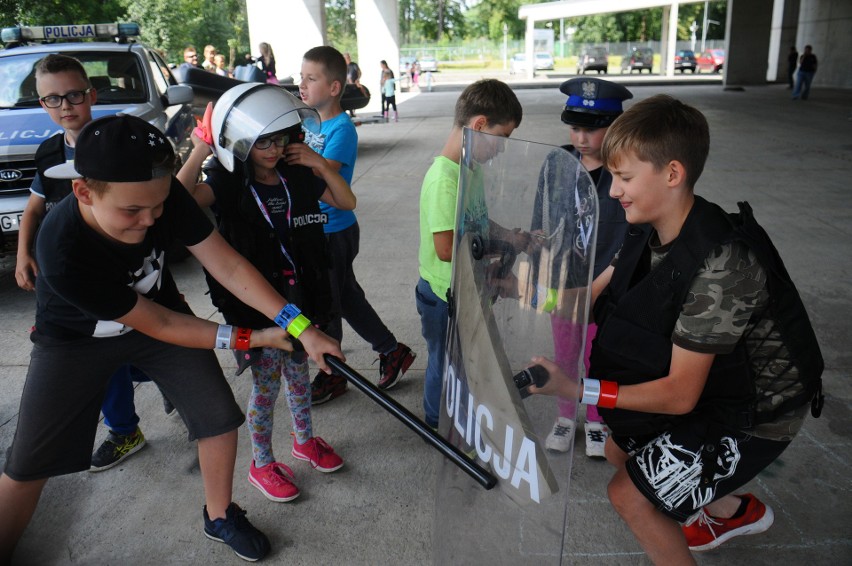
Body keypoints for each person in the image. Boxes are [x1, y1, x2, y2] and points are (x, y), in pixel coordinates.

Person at [0, 113, 345, 563]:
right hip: (74, 339)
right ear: (84, 191)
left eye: (158, 206)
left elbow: (231, 266)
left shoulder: (163, 195)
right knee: (29, 462)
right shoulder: (60, 247)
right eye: (131, 210)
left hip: (160, 315)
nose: (150, 220)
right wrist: (254, 337)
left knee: (219, 416)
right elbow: (160, 325)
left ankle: (220, 515)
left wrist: (304, 328)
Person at [529, 94, 818, 563]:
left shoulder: (721, 263)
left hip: (758, 411)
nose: (614, 191)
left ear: (672, 174)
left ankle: (716, 508)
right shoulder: (644, 226)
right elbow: (588, 298)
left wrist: (578, 388)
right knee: (625, 448)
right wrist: (518, 290)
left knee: (629, 495)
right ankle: (728, 511)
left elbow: (680, 397)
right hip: (716, 383)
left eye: (624, 178)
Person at [177, 83, 353, 503]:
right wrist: (202, 148)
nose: (272, 150)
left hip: (304, 298)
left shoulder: (299, 176)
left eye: (279, 140)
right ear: (240, 143)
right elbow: (178, 202)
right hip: (257, 310)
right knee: (267, 388)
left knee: (300, 378)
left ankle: (304, 441)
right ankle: (260, 461)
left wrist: (322, 164)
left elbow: (346, 201)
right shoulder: (225, 183)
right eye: (262, 143)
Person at [14, 54, 154, 473]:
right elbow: (34, 209)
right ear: (42, 105)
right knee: (99, 353)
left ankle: (168, 383)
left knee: (156, 341)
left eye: (73, 94)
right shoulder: (47, 152)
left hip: (124, 269)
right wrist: (24, 252)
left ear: (91, 95)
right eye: (52, 99)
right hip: (72, 279)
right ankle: (124, 429)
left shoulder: (120, 141)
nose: (65, 106)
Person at [298, 46, 416, 404]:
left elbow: (326, 172)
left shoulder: (342, 129)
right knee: (346, 297)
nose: (301, 85)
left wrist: (305, 158)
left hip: (334, 231)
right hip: (313, 229)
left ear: (334, 87)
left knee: (327, 304)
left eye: (311, 79)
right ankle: (392, 350)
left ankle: (331, 372)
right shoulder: (305, 123)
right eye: (300, 77)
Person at [533, 77, 632, 458]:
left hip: (607, 285)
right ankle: (564, 416)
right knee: (566, 350)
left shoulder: (624, 173)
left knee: (599, 354)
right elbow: (541, 216)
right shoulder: (557, 163)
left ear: (614, 129)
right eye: (575, 128)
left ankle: (595, 417)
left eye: (592, 129)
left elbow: (633, 232)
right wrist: (537, 259)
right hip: (564, 278)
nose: (581, 137)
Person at [417, 79, 523, 429]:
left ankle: (460, 416)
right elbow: (447, 249)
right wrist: (494, 254)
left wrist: (508, 236)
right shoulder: (444, 180)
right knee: (444, 361)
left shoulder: (470, 170)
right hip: (443, 297)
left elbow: (476, 219)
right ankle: (438, 422)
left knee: (462, 362)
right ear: (479, 126)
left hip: (466, 290)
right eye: (502, 137)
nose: (502, 149)